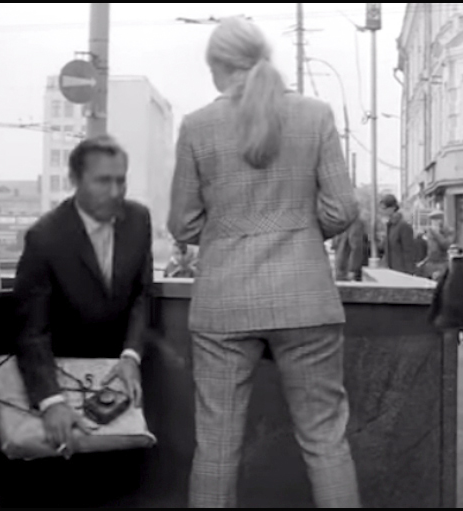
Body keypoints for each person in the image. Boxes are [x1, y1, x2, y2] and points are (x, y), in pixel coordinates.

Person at [168, 16, 361, 508]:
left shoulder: (197, 127)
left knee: (216, 447)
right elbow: (342, 208)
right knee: (325, 440)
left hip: (224, 304)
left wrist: (226, 232)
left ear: (219, 66)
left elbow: (183, 224)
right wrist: (298, 233)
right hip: (306, 300)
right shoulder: (315, 115)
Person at [10, 135, 154, 506]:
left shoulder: (139, 220)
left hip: (120, 383)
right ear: (75, 179)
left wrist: (131, 355)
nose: (115, 191)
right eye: (103, 181)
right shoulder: (44, 237)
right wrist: (50, 400)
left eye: (121, 180)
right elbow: (31, 331)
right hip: (63, 383)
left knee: (122, 488)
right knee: (67, 491)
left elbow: (141, 295)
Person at [379, 194, 421, 275]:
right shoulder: (389, 226)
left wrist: (410, 273)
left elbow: (409, 252)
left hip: (402, 271)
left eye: (385, 208)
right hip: (391, 270)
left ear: (393, 208)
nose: (383, 211)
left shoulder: (403, 226)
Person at [417, 210, 453, 281]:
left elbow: (445, 245)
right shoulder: (430, 232)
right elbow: (430, 249)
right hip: (430, 263)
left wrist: (436, 233)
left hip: (441, 264)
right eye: (432, 222)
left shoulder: (448, 232)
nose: (433, 224)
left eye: (436, 221)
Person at [335, 212, 371, 282]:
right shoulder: (342, 224)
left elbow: (357, 247)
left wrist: (353, 269)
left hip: (347, 270)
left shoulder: (354, 223)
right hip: (342, 268)